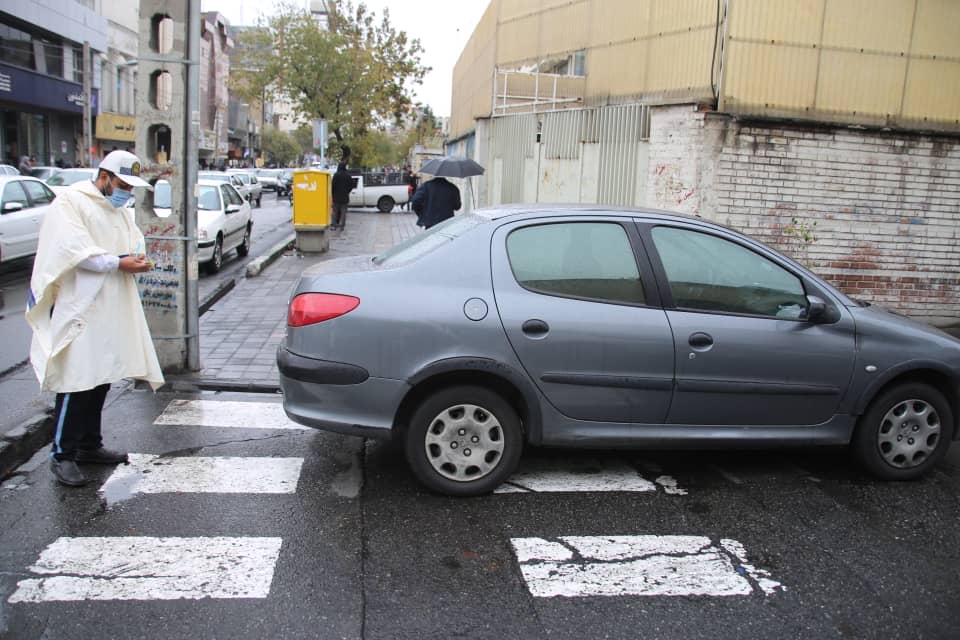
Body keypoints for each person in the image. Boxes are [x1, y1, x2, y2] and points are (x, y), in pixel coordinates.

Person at [25, 150, 164, 487]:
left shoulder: (117, 209)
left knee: (101, 375)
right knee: (76, 378)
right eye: (121, 185)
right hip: (80, 307)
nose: (126, 193)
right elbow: (74, 250)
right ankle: (62, 454)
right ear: (103, 177)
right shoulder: (71, 202)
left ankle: (89, 445)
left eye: (131, 188)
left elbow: (134, 240)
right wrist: (119, 262)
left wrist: (138, 257)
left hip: (111, 305)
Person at [330, 162, 353, 230]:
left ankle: (334, 225)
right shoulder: (348, 175)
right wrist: (347, 191)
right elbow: (351, 186)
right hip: (345, 197)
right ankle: (342, 226)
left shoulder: (336, 175)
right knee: (343, 213)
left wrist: (333, 194)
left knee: (335, 212)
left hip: (336, 197)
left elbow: (332, 186)